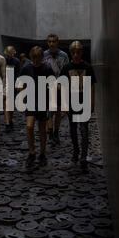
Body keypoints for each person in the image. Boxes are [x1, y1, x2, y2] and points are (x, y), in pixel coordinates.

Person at [61, 41, 97, 171]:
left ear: (82, 52)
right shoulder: (66, 68)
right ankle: (76, 153)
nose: (76, 55)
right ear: (71, 53)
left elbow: (92, 86)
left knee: (84, 130)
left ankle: (83, 156)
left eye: (78, 52)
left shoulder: (87, 67)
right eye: (73, 52)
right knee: (73, 130)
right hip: (71, 102)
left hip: (84, 102)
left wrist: (92, 102)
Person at [18, 46, 55, 171]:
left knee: (42, 129)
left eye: (37, 59)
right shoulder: (27, 68)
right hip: (30, 100)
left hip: (43, 101)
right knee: (29, 126)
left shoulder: (47, 68)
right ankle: (32, 152)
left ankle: (42, 153)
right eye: (33, 59)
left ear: (41, 58)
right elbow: (20, 85)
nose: (35, 61)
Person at [43, 34, 69, 145]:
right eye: (49, 41)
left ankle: (56, 132)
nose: (51, 44)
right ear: (47, 42)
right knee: (49, 110)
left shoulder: (63, 55)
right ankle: (50, 133)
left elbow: (67, 71)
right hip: (47, 86)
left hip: (60, 86)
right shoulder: (44, 55)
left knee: (58, 110)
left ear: (57, 42)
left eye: (53, 41)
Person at [4, 46, 21, 133]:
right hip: (5, 84)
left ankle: (10, 120)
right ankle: (7, 123)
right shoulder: (3, 61)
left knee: (11, 104)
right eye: (8, 55)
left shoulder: (16, 61)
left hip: (13, 84)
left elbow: (18, 74)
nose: (9, 56)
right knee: (7, 103)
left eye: (10, 54)